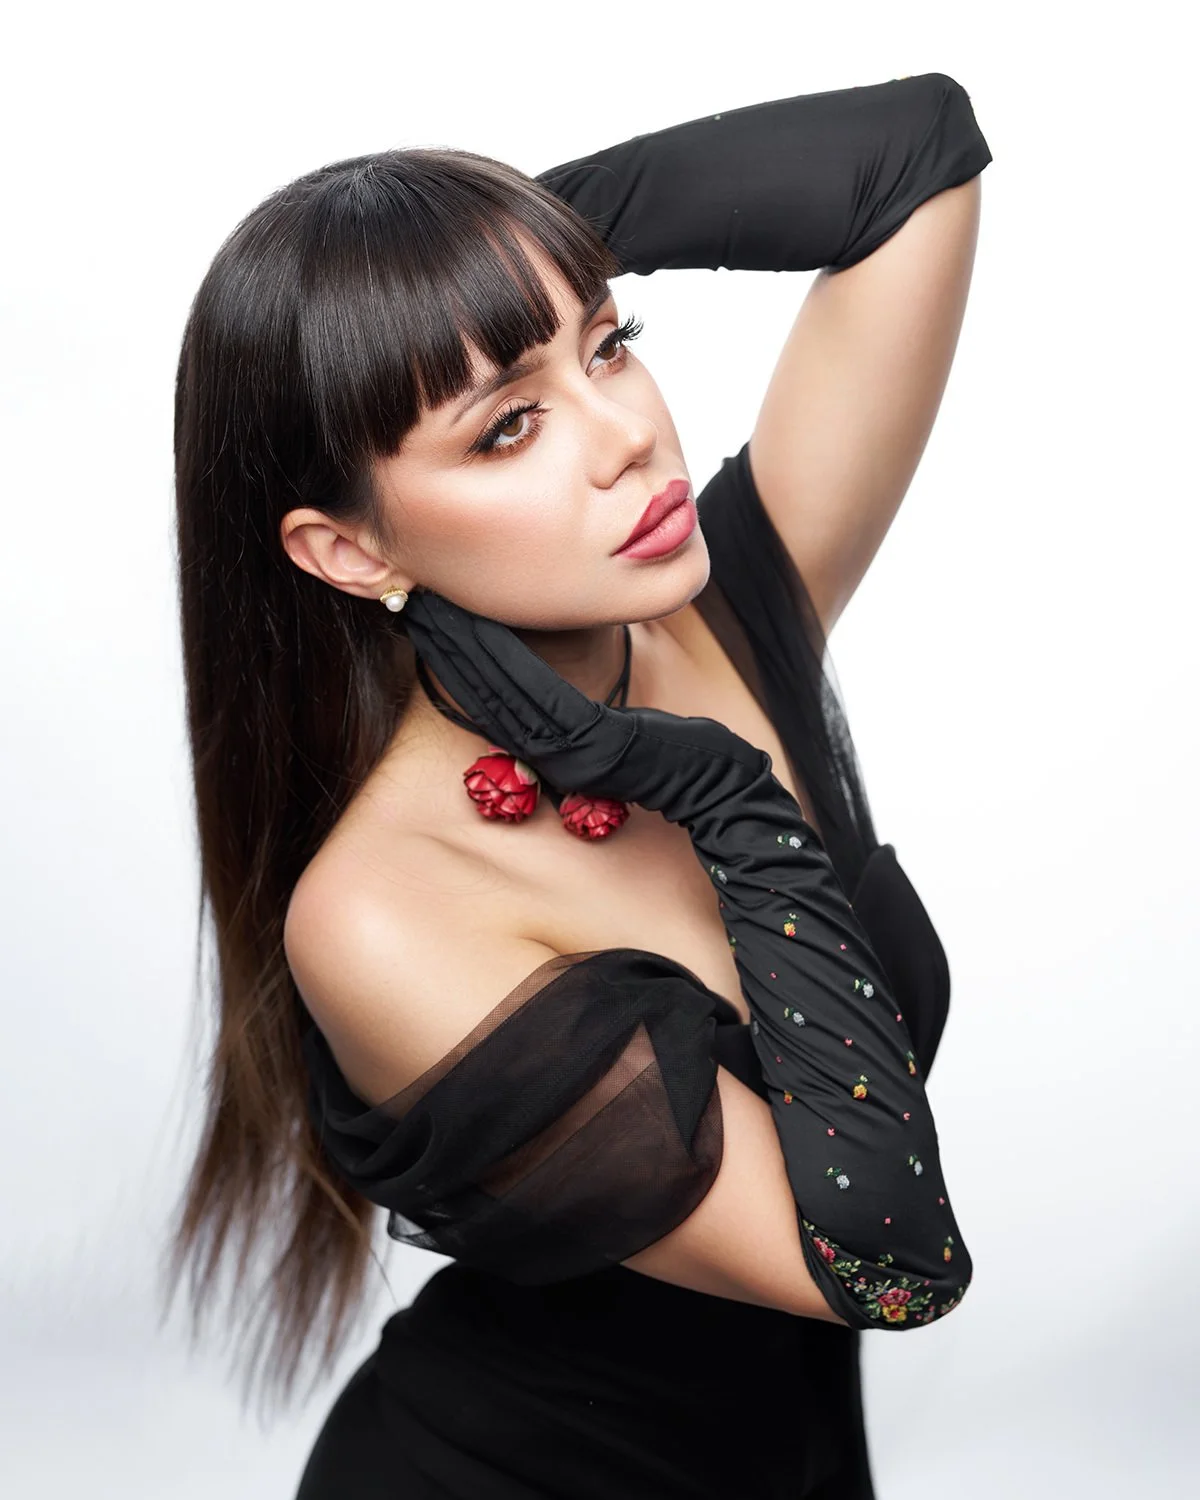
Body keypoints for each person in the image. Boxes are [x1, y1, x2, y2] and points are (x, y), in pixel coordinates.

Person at [164, 72, 992, 1498]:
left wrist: (510, 245)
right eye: (506, 426)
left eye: (610, 346)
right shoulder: (380, 908)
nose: (626, 436)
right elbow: (888, 1265)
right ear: (353, 552)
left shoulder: (720, 614)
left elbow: (916, 155)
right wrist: (727, 798)